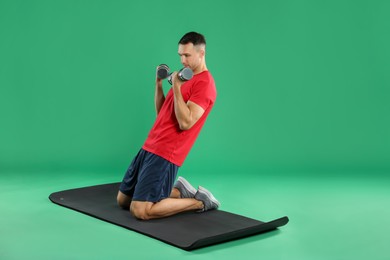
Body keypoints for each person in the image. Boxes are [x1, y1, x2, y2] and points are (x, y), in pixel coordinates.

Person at [116, 32, 219, 220]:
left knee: (140, 210)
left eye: (187, 55)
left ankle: (201, 201)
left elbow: (185, 122)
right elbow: (162, 113)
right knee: (123, 200)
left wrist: (177, 87)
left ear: (201, 53)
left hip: (166, 152)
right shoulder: (183, 78)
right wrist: (159, 84)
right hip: (150, 144)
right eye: (180, 55)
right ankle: (179, 191)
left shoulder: (205, 84)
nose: (182, 60)